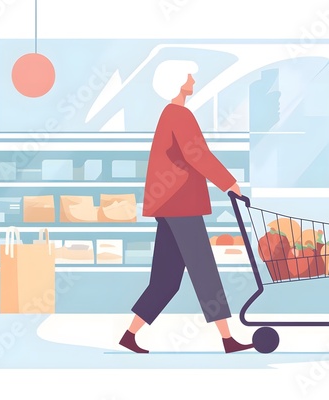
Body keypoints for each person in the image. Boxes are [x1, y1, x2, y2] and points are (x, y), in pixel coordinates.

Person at [119, 60, 253, 354]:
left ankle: (129, 335)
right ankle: (228, 339)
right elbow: (197, 154)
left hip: (170, 204)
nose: (194, 77)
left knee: (166, 281)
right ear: (179, 81)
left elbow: (194, 154)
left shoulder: (171, 114)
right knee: (205, 271)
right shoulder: (178, 114)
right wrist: (228, 182)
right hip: (180, 204)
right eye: (189, 74)